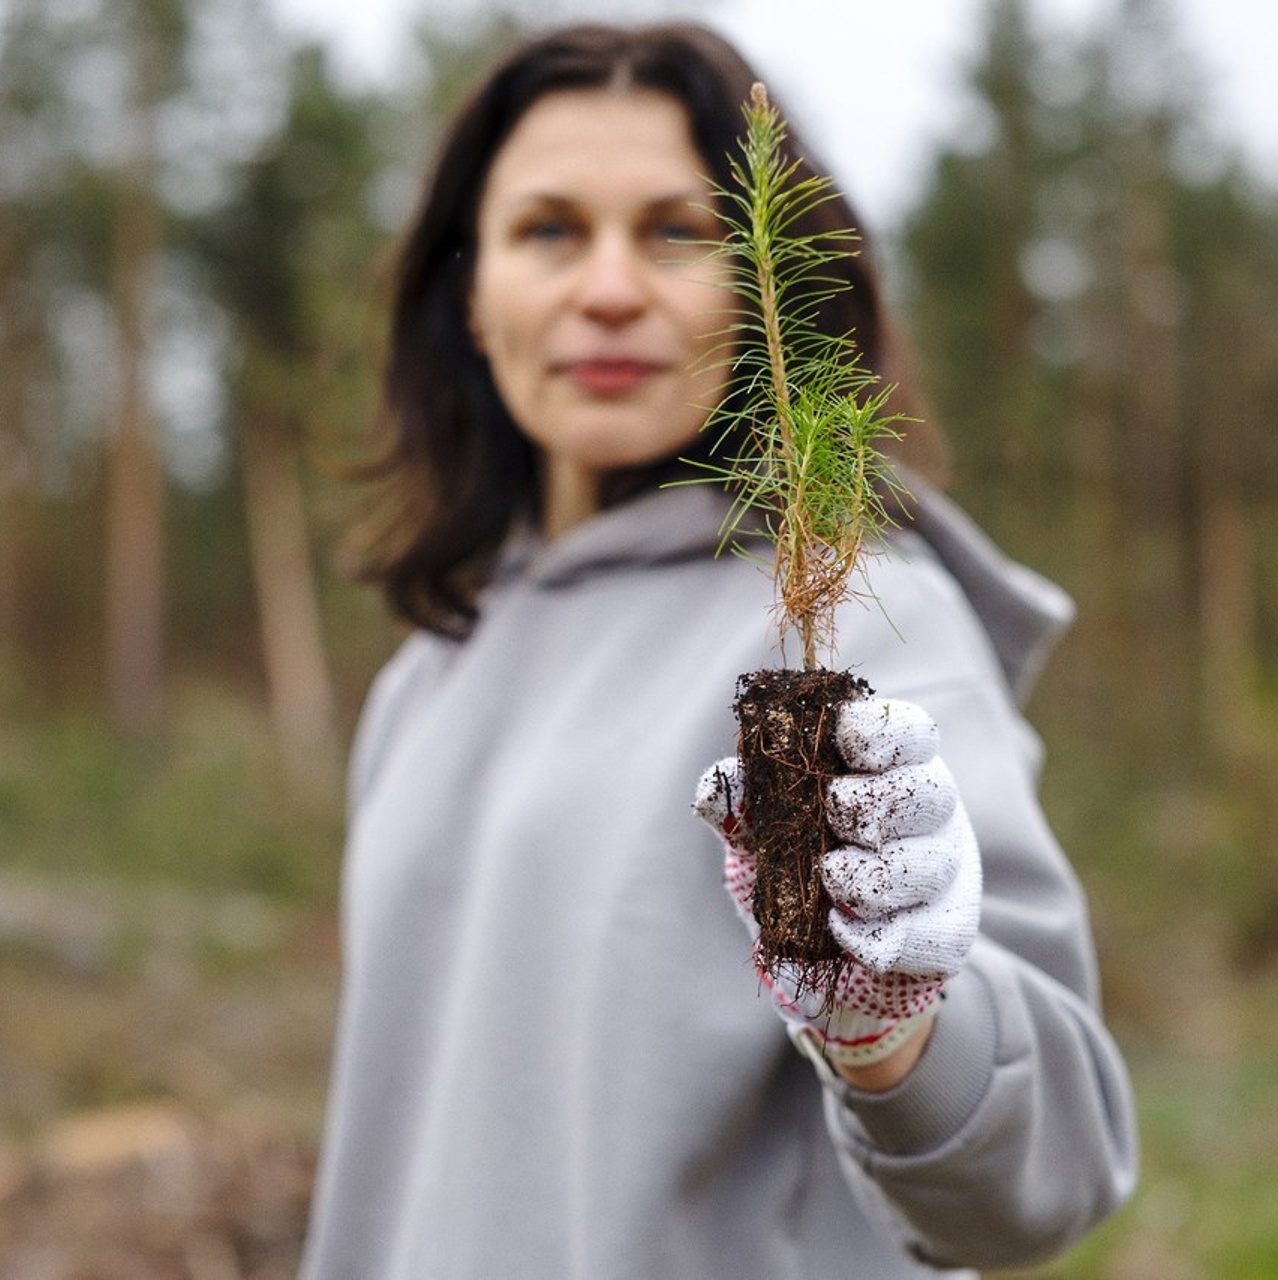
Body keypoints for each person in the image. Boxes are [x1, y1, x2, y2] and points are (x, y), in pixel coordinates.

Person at [299, 21, 1138, 1279]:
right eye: (548, 230)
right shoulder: (432, 670)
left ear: (769, 286)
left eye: (676, 230)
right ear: (469, 295)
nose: (608, 287)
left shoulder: (850, 625)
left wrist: (895, 1031)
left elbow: (1046, 1173)